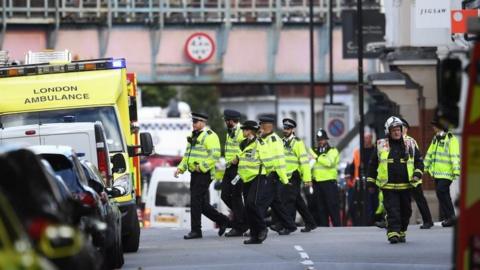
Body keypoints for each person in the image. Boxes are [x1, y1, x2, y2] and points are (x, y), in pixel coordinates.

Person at [367, 116, 424, 244]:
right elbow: (372, 164)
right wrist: (370, 181)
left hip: (406, 185)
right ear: (388, 131)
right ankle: (393, 233)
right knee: (393, 210)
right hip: (389, 186)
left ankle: (402, 231)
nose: (397, 132)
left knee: (406, 211)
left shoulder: (410, 143)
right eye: (394, 130)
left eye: (398, 129)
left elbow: (419, 162)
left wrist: (417, 174)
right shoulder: (381, 145)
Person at [175, 112, 230, 239]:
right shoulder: (193, 135)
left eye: (195, 122)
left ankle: (196, 230)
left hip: (204, 174)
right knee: (202, 204)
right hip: (194, 173)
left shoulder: (210, 136)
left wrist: (202, 167)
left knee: (195, 200)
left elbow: (215, 155)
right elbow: (187, 155)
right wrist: (180, 168)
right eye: (192, 122)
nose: (193, 124)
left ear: (203, 122)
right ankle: (223, 220)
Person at [258, 116, 297, 235]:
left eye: (261, 125)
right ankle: (290, 225)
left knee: (261, 203)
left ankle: (258, 228)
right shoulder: (264, 139)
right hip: (267, 176)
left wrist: (284, 179)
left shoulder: (274, 140)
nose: (260, 127)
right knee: (276, 204)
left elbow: (279, 162)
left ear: (267, 126)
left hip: (273, 176)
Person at [236, 120, 272, 244]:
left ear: (250, 130)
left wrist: (270, 173)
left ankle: (263, 228)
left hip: (258, 177)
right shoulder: (243, 144)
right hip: (246, 178)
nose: (242, 131)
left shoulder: (259, 143)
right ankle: (254, 235)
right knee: (248, 207)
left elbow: (267, 160)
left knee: (252, 204)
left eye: (244, 129)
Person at [278, 118, 317, 232]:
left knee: (289, 201)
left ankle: (287, 226)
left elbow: (304, 162)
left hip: (294, 175)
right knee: (297, 201)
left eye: (288, 128)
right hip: (284, 176)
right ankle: (310, 223)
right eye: (284, 128)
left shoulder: (298, 143)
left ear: (293, 129)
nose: (285, 130)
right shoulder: (281, 141)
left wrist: (307, 179)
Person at [424, 119, 460, 227]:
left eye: (434, 126)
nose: (433, 128)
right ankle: (450, 217)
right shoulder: (436, 139)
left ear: (440, 127)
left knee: (441, 191)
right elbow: (429, 154)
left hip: (447, 173)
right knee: (442, 194)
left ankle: (451, 217)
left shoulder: (451, 139)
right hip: (437, 173)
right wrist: (423, 169)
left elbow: (454, 155)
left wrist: (456, 170)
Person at [400, 118, 433, 229]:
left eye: (403, 128)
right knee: (398, 200)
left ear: (406, 129)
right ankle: (390, 221)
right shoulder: (393, 141)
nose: (401, 130)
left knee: (419, 199)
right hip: (401, 177)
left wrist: (417, 174)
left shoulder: (411, 141)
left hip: (412, 176)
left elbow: (418, 159)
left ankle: (428, 221)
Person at [220, 109, 248, 237]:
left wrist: (238, 157)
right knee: (225, 195)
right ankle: (243, 219)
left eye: (226, 120)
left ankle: (239, 226)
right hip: (229, 168)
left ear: (231, 121)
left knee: (236, 197)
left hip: (238, 168)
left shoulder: (242, 132)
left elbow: (249, 147)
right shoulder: (229, 132)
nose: (225, 122)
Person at [310, 128, 341, 227]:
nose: (320, 142)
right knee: (321, 209)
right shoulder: (313, 151)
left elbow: (329, 163)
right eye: (319, 140)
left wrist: (317, 157)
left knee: (333, 207)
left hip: (329, 184)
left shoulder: (333, 151)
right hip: (317, 183)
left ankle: (338, 229)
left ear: (326, 140)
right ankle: (323, 229)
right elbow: (308, 165)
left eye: (322, 139)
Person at [345, 133, 376, 226]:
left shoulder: (375, 150)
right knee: (354, 203)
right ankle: (358, 221)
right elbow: (353, 166)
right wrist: (349, 178)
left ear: (371, 139)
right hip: (359, 183)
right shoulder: (358, 152)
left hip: (372, 180)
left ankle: (371, 221)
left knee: (372, 203)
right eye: (365, 138)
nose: (366, 140)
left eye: (368, 138)